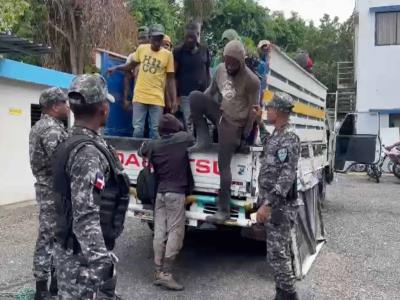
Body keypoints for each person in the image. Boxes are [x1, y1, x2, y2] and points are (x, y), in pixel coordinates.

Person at [53, 74, 130, 299]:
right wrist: (102, 265)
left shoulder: (72, 141)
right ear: (103, 109)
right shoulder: (86, 152)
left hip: (75, 251)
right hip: (81, 258)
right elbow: (85, 214)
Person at [188, 40, 260, 224]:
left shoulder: (252, 81)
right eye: (227, 61)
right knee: (195, 97)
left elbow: (253, 111)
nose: (229, 65)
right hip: (220, 115)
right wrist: (196, 112)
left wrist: (245, 136)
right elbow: (210, 91)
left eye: (233, 63)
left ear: (241, 62)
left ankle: (223, 210)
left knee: (223, 164)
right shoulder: (220, 69)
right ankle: (203, 138)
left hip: (235, 125)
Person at [139, 114, 194, 291]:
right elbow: (191, 136)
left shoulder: (154, 144)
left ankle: (157, 270)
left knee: (159, 232)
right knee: (175, 232)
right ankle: (167, 274)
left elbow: (142, 150)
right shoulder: (182, 139)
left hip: (160, 193)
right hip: (175, 193)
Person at [254, 92, 301, 300]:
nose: (267, 110)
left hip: (280, 206)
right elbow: (268, 145)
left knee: (277, 254)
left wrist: (268, 204)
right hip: (273, 204)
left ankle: (289, 295)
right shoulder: (276, 135)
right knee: (277, 253)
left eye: (270, 108)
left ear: (280, 111)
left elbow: (286, 176)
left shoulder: (290, 138)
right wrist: (259, 124)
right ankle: (281, 294)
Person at [29, 87, 69, 299]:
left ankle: (52, 286)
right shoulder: (51, 129)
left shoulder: (43, 125)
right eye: (64, 102)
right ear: (55, 106)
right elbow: (60, 162)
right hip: (52, 191)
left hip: (50, 189)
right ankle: (42, 290)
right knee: (48, 237)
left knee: (53, 236)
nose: (68, 106)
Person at [108, 23, 177, 139]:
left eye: (160, 38)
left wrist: (174, 100)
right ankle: (138, 156)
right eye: (155, 37)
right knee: (138, 130)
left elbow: (170, 79)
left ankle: (154, 156)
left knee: (155, 131)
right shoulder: (142, 49)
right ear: (150, 37)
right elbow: (130, 66)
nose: (157, 40)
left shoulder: (168, 55)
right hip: (140, 96)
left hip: (157, 98)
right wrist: (116, 68)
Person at [173, 22, 211, 132]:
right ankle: (191, 146)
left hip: (202, 94)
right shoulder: (178, 51)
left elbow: (207, 71)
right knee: (189, 123)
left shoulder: (204, 50)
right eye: (187, 37)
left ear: (197, 35)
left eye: (192, 37)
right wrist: (176, 97)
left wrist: (208, 92)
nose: (189, 39)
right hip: (185, 95)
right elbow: (173, 76)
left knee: (202, 123)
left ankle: (201, 146)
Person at [124, 26, 150, 108]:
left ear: (149, 39)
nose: (141, 41)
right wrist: (127, 98)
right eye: (139, 38)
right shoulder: (132, 56)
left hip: (154, 98)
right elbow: (127, 77)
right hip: (139, 98)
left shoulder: (157, 55)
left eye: (144, 38)